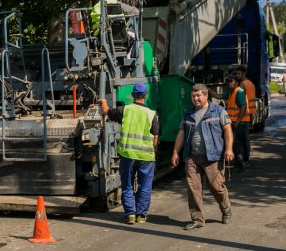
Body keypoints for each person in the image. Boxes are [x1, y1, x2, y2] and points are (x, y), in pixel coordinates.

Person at [171, 84, 234, 230]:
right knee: (193, 189)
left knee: (216, 187)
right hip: (192, 156)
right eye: (193, 96)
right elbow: (181, 133)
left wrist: (229, 149)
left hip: (213, 156)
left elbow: (228, 130)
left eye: (198, 95)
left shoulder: (218, 111)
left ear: (206, 96)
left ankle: (226, 209)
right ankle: (198, 220)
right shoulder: (188, 113)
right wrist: (175, 152)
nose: (195, 98)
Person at [99, 82, 159, 224]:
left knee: (127, 185)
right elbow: (156, 136)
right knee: (145, 187)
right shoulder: (151, 114)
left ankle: (130, 215)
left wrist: (104, 101)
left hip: (127, 156)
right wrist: (153, 150)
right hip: (146, 157)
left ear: (132, 95)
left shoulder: (125, 110)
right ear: (145, 96)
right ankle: (141, 215)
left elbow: (106, 111)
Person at [224, 74, 249, 172]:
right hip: (233, 122)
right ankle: (238, 163)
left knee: (238, 143)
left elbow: (243, 107)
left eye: (231, 81)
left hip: (239, 123)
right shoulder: (232, 92)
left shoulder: (239, 92)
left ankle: (240, 164)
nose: (229, 83)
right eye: (228, 81)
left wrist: (238, 120)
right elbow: (219, 96)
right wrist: (208, 91)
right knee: (235, 143)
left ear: (237, 82)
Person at [234, 66, 255, 165]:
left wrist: (238, 119)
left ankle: (243, 159)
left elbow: (241, 102)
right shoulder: (250, 83)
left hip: (243, 114)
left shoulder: (242, 85)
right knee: (246, 137)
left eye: (239, 74)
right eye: (236, 74)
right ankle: (247, 157)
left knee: (241, 139)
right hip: (250, 113)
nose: (237, 76)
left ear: (244, 73)